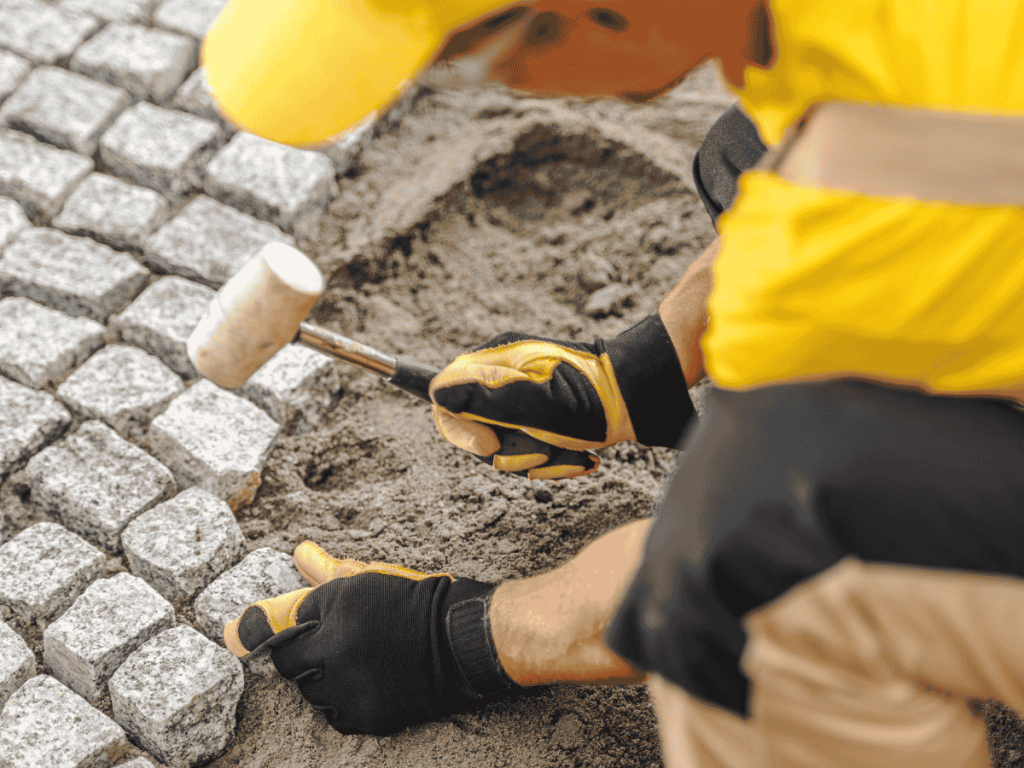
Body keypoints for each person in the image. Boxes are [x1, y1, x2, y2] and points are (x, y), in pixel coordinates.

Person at [204, 1, 1024, 766]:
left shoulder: (893, 184)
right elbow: (800, 153)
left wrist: (472, 635)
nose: (507, 81)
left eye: (479, 55)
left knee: (769, 606)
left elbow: (741, 540)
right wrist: (647, 369)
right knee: (742, 153)